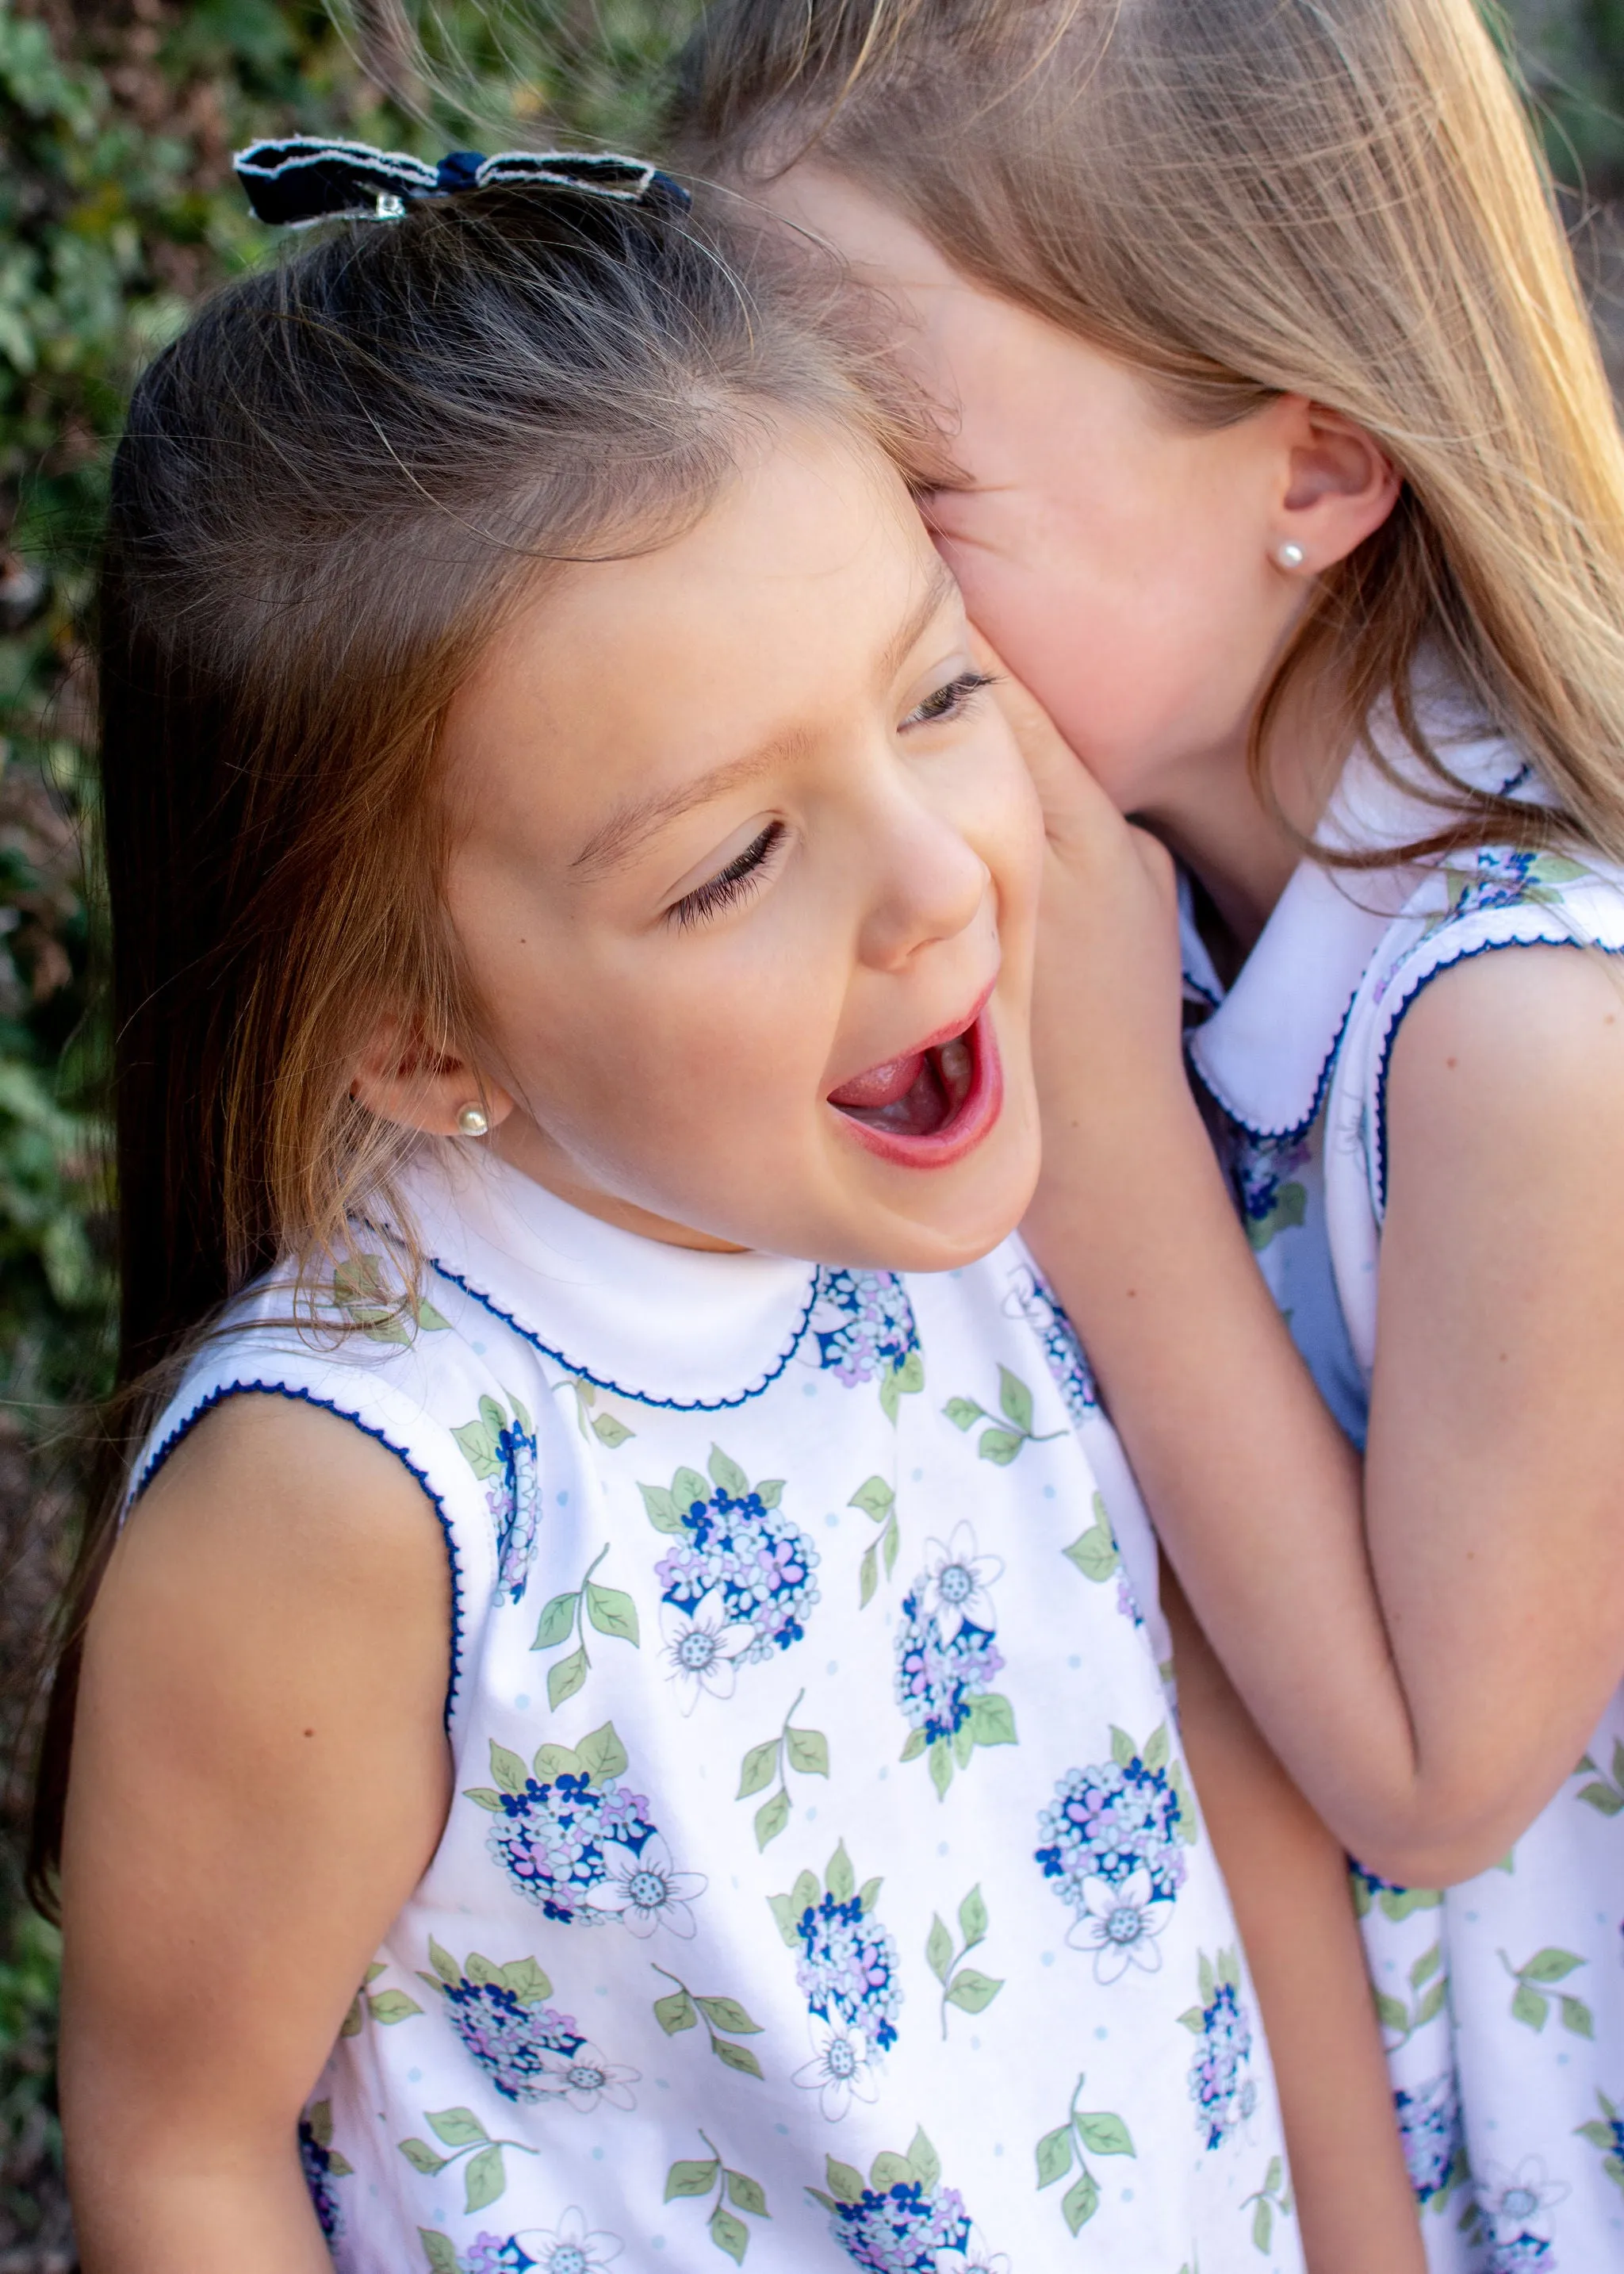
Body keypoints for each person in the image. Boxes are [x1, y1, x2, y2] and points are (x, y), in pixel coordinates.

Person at [33, 138, 1394, 2274]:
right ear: (415, 1038)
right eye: (730, 864)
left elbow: (1187, 1727)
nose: (944, 880)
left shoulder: (981, 1183)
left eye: (942, 696)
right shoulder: (360, 1496)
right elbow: (182, 2153)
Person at [671, 0, 1624, 2266]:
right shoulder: (1143, 881)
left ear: (1308, 471)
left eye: (901, 494)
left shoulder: (1529, 1032)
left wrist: (1103, 1142)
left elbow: (1433, 1775)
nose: (781, 582)